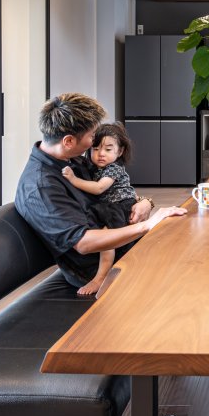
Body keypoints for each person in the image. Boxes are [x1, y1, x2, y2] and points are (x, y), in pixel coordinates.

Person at [14, 93, 186, 292]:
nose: (93, 142)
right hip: (97, 270)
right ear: (68, 141)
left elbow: (110, 192)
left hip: (122, 245)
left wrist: (145, 201)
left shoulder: (72, 159)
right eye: (91, 137)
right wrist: (148, 225)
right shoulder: (42, 187)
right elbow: (84, 243)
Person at [62, 122, 139, 295]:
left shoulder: (114, 168)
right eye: (95, 149)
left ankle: (100, 278)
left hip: (120, 205)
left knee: (106, 237)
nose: (101, 154)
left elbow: (99, 188)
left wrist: (73, 180)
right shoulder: (95, 167)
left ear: (120, 151)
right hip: (109, 206)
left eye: (108, 149)